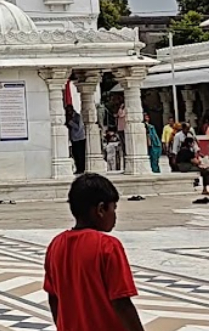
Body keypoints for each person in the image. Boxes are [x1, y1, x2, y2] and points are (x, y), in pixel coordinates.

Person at [43, 173, 142, 331]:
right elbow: (122, 303)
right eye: (113, 209)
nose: (115, 216)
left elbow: (53, 298)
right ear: (101, 209)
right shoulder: (108, 246)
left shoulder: (56, 245)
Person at [65, 105, 86, 174]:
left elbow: (78, 127)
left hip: (79, 138)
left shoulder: (77, 117)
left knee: (80, 154)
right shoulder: (68, 117)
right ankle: (78, 168)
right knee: (75, 154)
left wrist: (70, 122)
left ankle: (81, 168)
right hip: (73, 139)